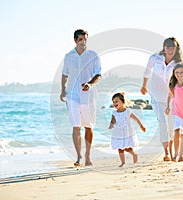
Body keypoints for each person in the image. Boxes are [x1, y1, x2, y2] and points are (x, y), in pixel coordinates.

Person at [60, 29, 101, 167]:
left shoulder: (93, 55)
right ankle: (78, 157)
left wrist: (90, 84)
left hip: (88, 96)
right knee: (75, 126)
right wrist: (62, 90)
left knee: (88, 127)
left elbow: (98, 74)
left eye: (85, 39)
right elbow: (65, 74)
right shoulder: (68, 56)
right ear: (75, 40)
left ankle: (88, 157)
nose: (83, 42)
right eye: (80, 39)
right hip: (72, 95)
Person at [140, 37, 182, 161]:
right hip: (156, 95)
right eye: (168, 47)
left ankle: (172, 150)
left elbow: (180, 79)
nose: (170, 49)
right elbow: (147, 71)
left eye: (173, 47)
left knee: (171, 124)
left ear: (176, 49)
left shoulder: (177, 64)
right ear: (164, 48)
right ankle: (166, 153)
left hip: (171, 97)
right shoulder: (155, 58)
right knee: (162, 122)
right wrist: (144, 86)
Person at [108, 92, 146, 167]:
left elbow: (136, 119)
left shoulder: (127, 111)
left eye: (116, 101)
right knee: (120, 148)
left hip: (127, 132)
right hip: (118, 132)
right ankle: (123, 162)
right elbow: (112, 121)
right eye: (113, 102)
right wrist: (111, 125)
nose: (114, 103)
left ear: (122, 102)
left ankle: (134, 154)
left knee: (126, 147)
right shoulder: (114, 112)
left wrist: (141, 126)